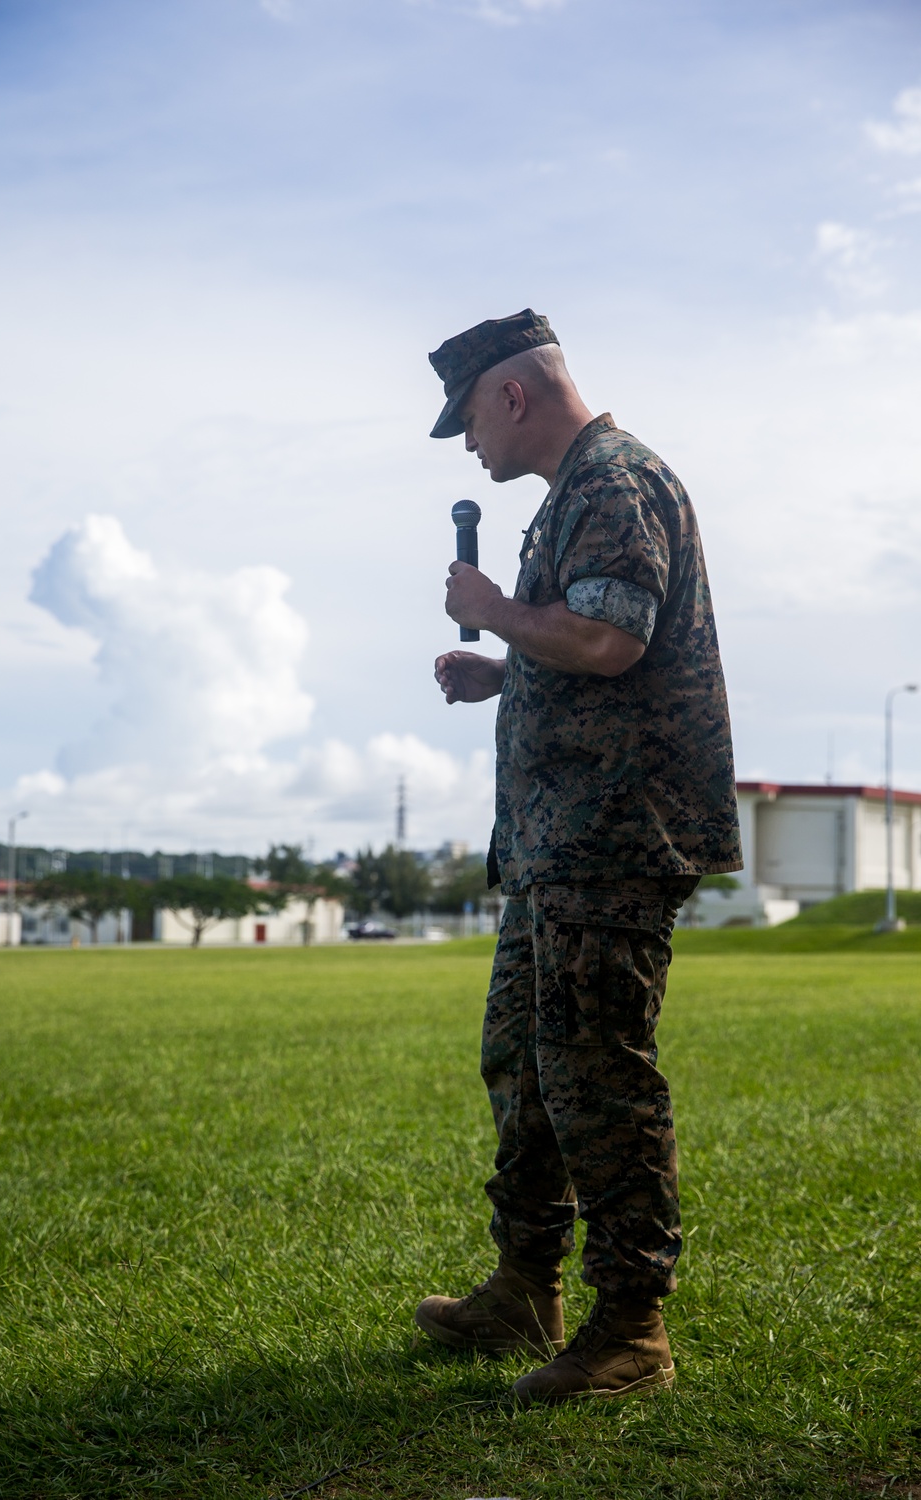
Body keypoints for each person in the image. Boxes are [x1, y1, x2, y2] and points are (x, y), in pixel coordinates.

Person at [415, 309, 742, 1404]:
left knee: (597, 1073)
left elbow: (611, 641)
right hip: (560, 843)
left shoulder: (612, 482)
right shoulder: (576, 492)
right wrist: (507, 670)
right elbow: (597, 652)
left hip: (612, 835)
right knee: (526, 1063)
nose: (466, 443)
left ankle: (631, 1326)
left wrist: (497, 614)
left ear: (510, 395)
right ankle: (523, 1286)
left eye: (464, 417)